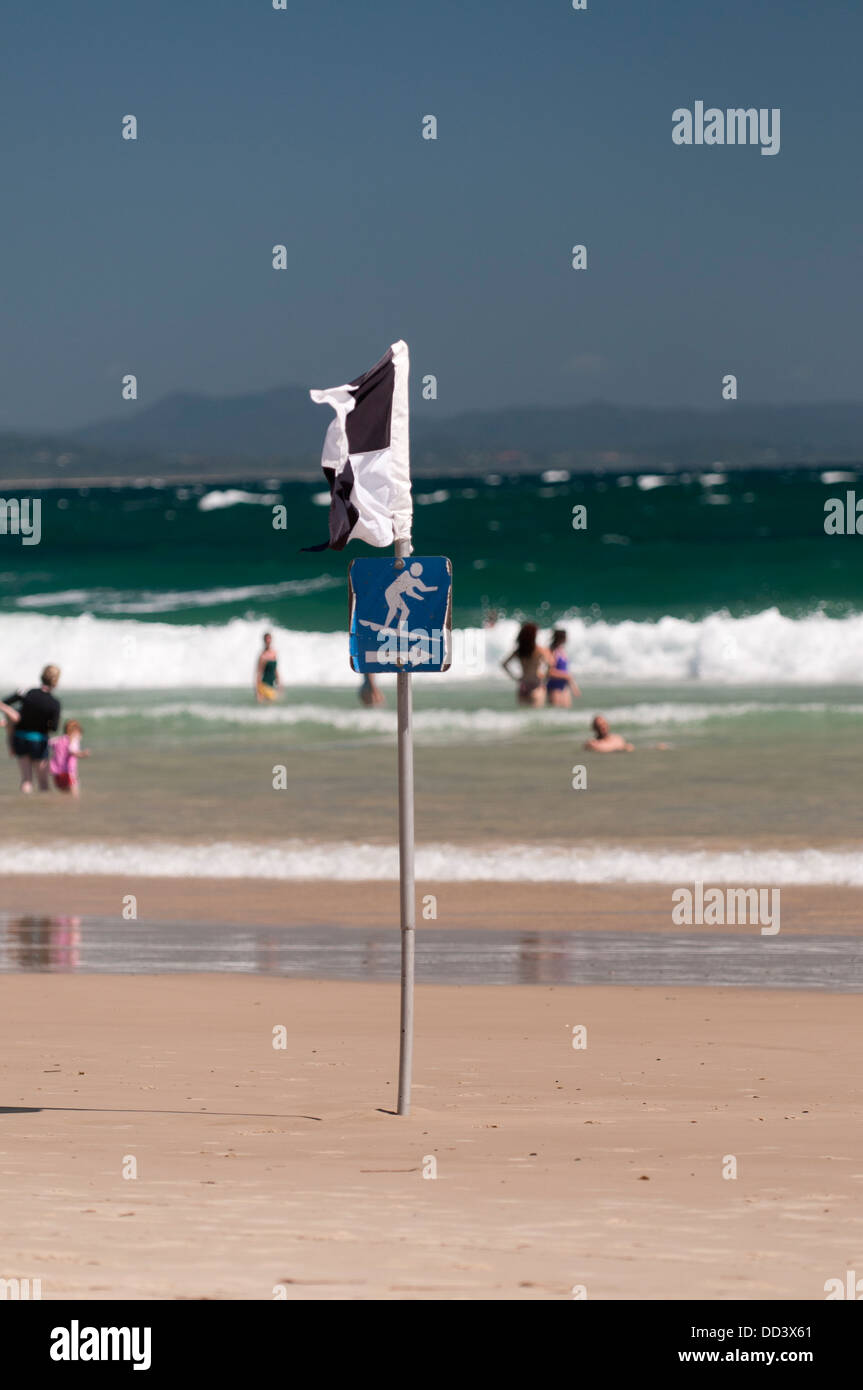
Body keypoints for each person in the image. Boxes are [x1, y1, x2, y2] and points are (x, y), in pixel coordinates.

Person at [0, 665, 62, 792]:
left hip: (20, 738)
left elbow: (4, 703)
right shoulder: (54, 703)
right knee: (43, 783)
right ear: (56, 682)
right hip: (38, 740)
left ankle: (25, 809)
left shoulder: (27, 692)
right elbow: (54, 728)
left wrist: (13, 718)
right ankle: (42, 811)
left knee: (26, 780)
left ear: (42, 677)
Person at [501, 623, 555, 707]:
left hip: (523, 686)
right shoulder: (540, 650)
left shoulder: (519, 651)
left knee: (523, 716)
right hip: (536, 685)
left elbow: (504, 664)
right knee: (536, 718)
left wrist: (515, 677)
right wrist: (545, 677)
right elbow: (551, 664)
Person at [49, 719, 90, 797]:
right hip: (68, 773)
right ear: (76, 732)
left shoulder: (58, 739)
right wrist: (82, 754)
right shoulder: (72, 740)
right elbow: (72, 750)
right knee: (75, 795)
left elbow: (48, 743)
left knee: (64, 795)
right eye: (80, 734)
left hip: (57, 773)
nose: (80, 737)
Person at [545, 629, 581, 707]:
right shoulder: (552, 651)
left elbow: (565, 671)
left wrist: (573, 685)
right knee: (556, 712)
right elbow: (550, 672)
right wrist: (567, 676)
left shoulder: (562, 650)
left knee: (567, 712)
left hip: (564, 686)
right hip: (554, 686)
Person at [255, 632, 280, 703]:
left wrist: (279, 682)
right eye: (266, 639)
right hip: (264, 685)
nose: (268, 641)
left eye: (269, 639)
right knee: (268, 707)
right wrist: (257, 691)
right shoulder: (262, 656)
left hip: (273, 684)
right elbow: (259, 673)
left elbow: (275, 669)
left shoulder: (274, 653)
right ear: (264, 641)